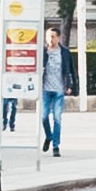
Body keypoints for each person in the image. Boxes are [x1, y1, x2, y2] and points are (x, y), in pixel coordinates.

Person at [39, 23, 67, 158]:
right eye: (48, 37)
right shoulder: (43, 52)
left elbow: (70, 69)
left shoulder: (64, 52)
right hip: (45, 89)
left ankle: (56, 146)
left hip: (59, 90)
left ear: (58, 38)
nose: (50, 39)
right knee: (43, 117)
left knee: (57, 118)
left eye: (52, 36)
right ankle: (49, 136)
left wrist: (71, 85)